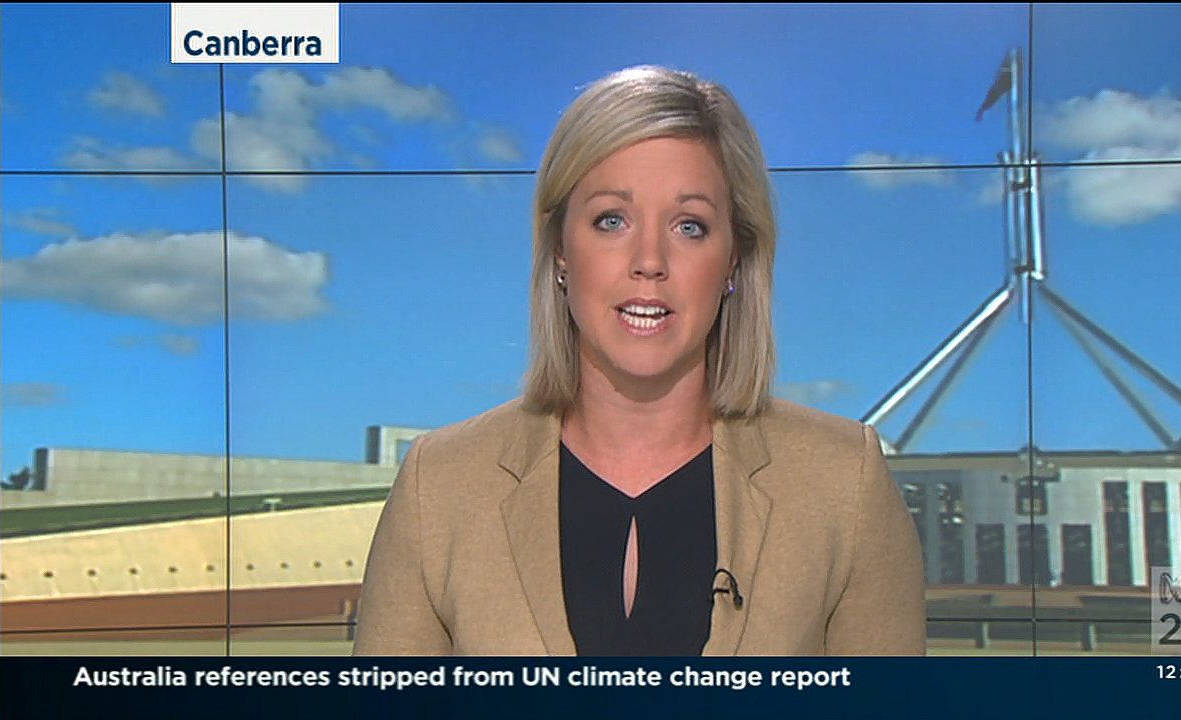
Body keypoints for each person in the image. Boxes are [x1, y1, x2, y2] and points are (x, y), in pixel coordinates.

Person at [353, 65, 925, 656]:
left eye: (689, 226)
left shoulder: (844, 484)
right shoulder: (438, 486)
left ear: (734, 258)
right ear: (559, 247)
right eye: (612, 220)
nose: (649, 260)